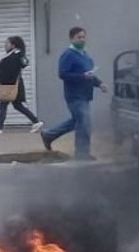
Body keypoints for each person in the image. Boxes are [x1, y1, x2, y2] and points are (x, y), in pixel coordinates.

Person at [41, 27, 107, 161]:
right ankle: (82, 153)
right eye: (79, 37)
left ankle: (49, 135)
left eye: (83, 37)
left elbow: (90, 74)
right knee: (84, 122)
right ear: (72, 38)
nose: (82, 40)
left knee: (77, 121)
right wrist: (82, 77)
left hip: (86, 95)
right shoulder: (68, 54)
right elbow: (63, 74)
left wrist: (99, 84)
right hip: (74, 95)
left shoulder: (85, 55)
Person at [0, 36, 43, 135]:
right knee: (17, 105)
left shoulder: (13, 56)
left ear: (13, 45)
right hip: (15, 85)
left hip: (10, 85)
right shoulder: (17, 55)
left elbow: (8, 71)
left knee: (4, 104)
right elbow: (23, 64)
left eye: (7, 43)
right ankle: (36, 122)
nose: (5, 45)